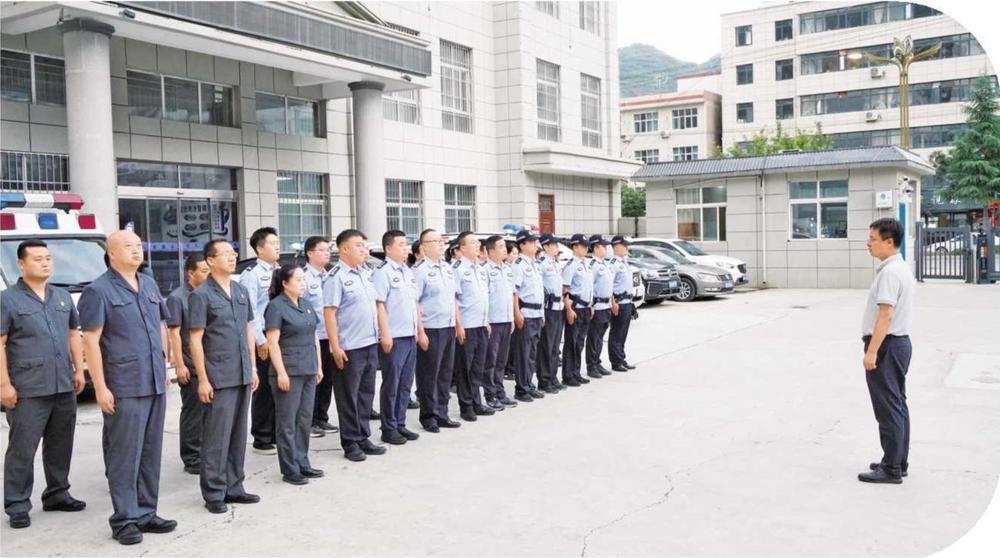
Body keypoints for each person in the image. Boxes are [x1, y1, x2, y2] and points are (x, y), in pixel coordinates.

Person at [78, 230, 176, 545]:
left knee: (150, 452)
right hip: (124, 384)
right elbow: (91, 341)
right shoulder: (98, 291)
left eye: (138, 246)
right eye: (128, 246)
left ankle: (146, 512)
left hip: (153, 380)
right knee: (124, 455)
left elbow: (160, 325)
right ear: (111, 253)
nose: (136, 251)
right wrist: (101, 387)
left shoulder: (148, 284)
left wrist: (165, 366)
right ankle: (124, 519)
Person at [1, 240, 87, 529]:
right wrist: (4, 384)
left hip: (63, 382)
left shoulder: (61, 296)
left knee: (61, 443)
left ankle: (57, 493)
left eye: (48, 258)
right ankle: (17, 503)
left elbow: (73, 334)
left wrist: (79, 370)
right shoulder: (7, 300)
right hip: (28, 386)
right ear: (21, 264)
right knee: (23, 447)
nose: (45, 263)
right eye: (37, 259)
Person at [188, 239, 261, 513]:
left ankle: (234, 486)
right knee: (216, 437)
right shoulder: (201, 295)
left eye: (233, 253)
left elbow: (248, 329)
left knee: (238, 434)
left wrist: (253, 367)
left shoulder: (240, 290)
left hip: (241, 372)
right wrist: (203, 379)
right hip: (218, 375)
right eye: (226, 254)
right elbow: (195, 339)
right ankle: (214, 492)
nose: (232, 258)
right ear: (210, 260)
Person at [858, 218, 915, 484]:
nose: (868, 244)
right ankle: (897, 461)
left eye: (873, 239)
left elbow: (885, 315)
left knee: (888, 408)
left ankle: (891, 468)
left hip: (887, 345)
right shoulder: (899, 268)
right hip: (898, 344)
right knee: (897, 405)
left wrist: (872, 352)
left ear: (889, 242)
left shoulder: (890, 273)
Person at [324, 229, 386, 461]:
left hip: (369, 342)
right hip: (349, 346)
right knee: (348, 396)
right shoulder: (336, 276)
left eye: (364, 245)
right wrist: (335, 346)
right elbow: (330, 313)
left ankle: (363, 436)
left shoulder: (366, 273)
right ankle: (350, 442)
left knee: (365, 393)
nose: (364, 249)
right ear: (344, 249)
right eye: (358, 245)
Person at [265, 265, 324, 484]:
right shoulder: (276, 306)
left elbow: (314, 336)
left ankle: (303, 462)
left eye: (303, 279)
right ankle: (290, 468)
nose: (302, 283)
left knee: (304, 419)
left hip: (308, 368)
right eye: (298, 280)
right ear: (285, 283)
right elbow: (272, 342)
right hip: (289, 370)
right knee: (287, 422)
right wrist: (281, 372)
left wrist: (318, 366)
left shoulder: (306, 304)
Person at [373, 230, 427, 445]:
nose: (406, 249)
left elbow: (415, 304)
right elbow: (379, 305)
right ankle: (388, 428)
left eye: (406, 244)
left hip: (409, 334)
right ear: (388, 248)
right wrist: (385, 333)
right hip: (394, 337)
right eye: (401, 245)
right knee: (392, 384)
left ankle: (400, 423)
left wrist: (420, 331)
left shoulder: (407, 271)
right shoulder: (383, 272)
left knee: (405, 383)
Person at [166, 254, 210, 476]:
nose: (208, 274)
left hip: (208, 363)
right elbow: (174, 333)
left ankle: (205, 453)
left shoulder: (207, 294)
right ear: (190, 273)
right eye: (203, 270)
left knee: (207, 412)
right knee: (193, 412)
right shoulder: (177, 298)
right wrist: (179, 364)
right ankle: (192, 457)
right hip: (189, 364)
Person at [412, 229, 461, 432]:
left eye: (442, 241)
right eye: (436, 241)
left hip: (448, 327)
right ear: (424, 246)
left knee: (445, 374)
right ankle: (429, 416)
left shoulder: (447, 268)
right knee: (429, 375)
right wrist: (420, 332)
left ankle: (442, 413)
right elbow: (414, 302)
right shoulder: (419, 270)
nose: (441, 245)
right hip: (431, 328)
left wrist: (458, 324)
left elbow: (454, 298)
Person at [240, 227, 280, 455]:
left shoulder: (280, 271)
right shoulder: (252, 274)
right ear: (259, 248)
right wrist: (260, 340)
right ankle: (262, 437)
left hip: (280, 336)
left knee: (278, 385)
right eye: (272, 243)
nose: (277, 247)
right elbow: (251, 310)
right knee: (263, 388)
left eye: (277, 242)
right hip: (263, 337)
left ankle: (275, 431)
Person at [453, 231, 494, 422]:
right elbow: (454, 299)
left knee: (478, 367)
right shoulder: (457, 269)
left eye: (478, 242)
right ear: (462, 248)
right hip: (467, 325)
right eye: (472, 243)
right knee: (465, 368)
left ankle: (477, 402)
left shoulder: (481, 268)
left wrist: (487, 321)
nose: (477, 245)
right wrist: (458, 325)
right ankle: (466, 406)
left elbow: (483, 297)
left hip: (481, 324)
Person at [304, 236, 338, 438]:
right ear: (310, 253)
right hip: (313, 337)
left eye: (328, 250)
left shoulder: (330, 276)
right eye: (322, 250)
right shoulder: (304, 277)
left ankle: (321, 418)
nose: (327, 253)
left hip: (330, 336)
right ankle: (309, 421)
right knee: (314, 380)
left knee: (328, 380)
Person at [510, 230, 547, 402]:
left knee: (532, 352)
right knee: (523, 353)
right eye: (531, 242)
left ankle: (529, 384)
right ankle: (521, 388)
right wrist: (516, 313)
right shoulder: (518, 264)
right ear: (522, 245)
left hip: (536, 313)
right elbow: (515, 291)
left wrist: (542, 313)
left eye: (535, 242)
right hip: (525, 313)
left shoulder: (535, 264)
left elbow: (539, 292)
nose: (535, 245)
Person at [482, 235, 516, 411]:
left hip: (506, 320)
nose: (505, 250)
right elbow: (483, 297)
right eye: (501, 247)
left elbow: (510, 295)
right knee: (491, 360)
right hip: (493, 321)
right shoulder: (485, 270)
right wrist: (486, 320)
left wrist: (512, 318)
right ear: (491, 251)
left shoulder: (507, 269)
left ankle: (500, 391)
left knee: (502, 360)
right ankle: (490, 394)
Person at [561, 234, 594, 387]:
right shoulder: (571, 265)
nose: (586, 249)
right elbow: (565, 289)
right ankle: (568, 375)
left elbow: (588, 287)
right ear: (575, 247)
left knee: (580, 342)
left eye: (587, 246)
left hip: (585, 307)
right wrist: (568, 309)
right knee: (571, 343)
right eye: (583, 246)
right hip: (575, 308)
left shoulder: (587, 264)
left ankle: (576, 372)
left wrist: (590, 305)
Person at [536, 233, 566, 393]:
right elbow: (539, 288)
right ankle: (544, 380)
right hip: (548, 308)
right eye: (554, 245)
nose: (557, 247)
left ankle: (553, 377)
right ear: (546, 246)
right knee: (546, 346)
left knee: (555, 346)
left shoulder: (555, 263)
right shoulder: (541, 264)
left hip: (558, 307)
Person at [585, 235, 614, 379]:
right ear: (596, 248)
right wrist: (591, 304)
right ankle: (591, 366)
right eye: (603, 246)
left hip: (605, 305)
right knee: (593, 337)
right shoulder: (593, 265)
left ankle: (597, 362)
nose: (606, 249)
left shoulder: (604, 263)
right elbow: (590, 285)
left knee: (600, 337)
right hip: (597, 306)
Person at [608, 236, 637, 372]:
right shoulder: (613, 264)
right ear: (617, 247)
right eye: (625, 245)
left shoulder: (624, 262)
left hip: (627, 302)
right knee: (616, 333)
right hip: (618, 302)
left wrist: (631, 303)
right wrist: (613, 302)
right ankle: (616, 361)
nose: (627, 248)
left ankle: (621, 358)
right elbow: (609, 284)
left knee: (623, 333)